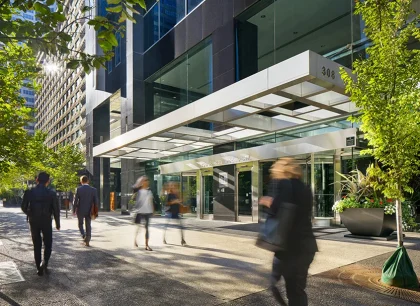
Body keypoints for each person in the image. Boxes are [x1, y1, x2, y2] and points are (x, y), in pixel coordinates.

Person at [259, 158, 318, 306]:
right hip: (307, 246)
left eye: (275, 170)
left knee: (286, 288)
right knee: (296, 290)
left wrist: (268, 201)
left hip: (290, 248)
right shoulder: (305, 188)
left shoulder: (285, 184)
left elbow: (281, 211)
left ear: (283, 170)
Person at [21, 172, 60, 276]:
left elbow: (23, 207)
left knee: (36, 244)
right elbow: (56, 209)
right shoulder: (51, 193)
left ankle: (38, 267)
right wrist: (58, 223)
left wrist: (30, 214)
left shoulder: (29, 191)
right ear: (48, 181)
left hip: (34, 221)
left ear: (37, 180)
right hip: (47, 220)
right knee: (48, 243)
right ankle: (45, 262)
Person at [73, 175, 99, 247]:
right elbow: (96, 201)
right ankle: (88, 239)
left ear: (81, 181)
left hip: (80, 210)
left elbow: (75, 201)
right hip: (89, 210)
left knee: (80, 224)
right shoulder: (93, 190)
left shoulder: (78, 189)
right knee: (88, 225)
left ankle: (83, 235)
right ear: (88, 181)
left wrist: (74, 210)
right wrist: (96, 211)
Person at [132, 176, 154, 251]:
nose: (146, 181)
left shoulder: (149, 191)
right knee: (138, 228)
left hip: (148, 212)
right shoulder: (138, 191)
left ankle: (147, 245)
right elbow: (133, 188)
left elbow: (151, 201)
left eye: (147, 180)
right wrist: (138, 182)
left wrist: (153, 210)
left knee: (147, 228)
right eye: (145, 180)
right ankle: (135, 240)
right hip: (140, 211)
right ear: (142, 182)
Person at [163, 182, 186, 246]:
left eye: (174, 186)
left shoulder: (176, 194)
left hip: (176, 212)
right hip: (169, 212)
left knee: (180, 226)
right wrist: (174, 202)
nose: (173, 187)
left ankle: (182, 240)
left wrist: (180, 203)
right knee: (166, 227)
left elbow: (178, 202)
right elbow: (167, 203)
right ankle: (164, 238)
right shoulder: (169, 195)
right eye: (172, 186)